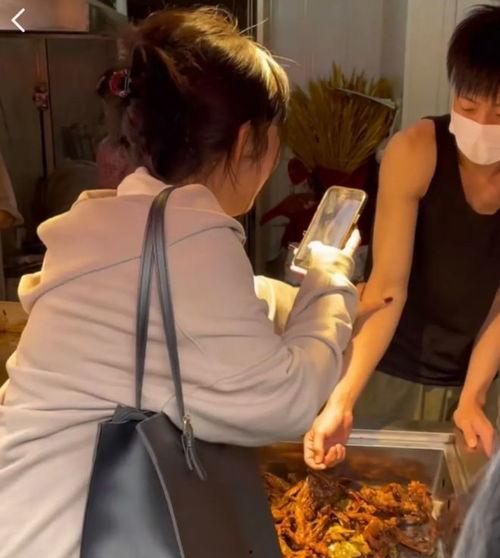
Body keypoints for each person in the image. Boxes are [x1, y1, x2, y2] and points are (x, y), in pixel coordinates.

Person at [0, 8, 360, 557]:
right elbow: (286, 401)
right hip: (71, 536)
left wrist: (279, 297)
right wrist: (329, 280)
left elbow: (181, 319)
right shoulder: (188, 235)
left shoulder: (113, 220)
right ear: (247, 139)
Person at [305, 4, 500, 470]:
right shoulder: (415, 151)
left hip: (481, 371)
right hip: (391, 365)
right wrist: (342, 399)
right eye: (468, 106)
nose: (483, 124)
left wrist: (473, 396)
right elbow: (388, 288)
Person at [95, 68, 133, 188]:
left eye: (118, 106)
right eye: (108, 106)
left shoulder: (146, 150)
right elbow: (104, 190)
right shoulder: (105, 148)